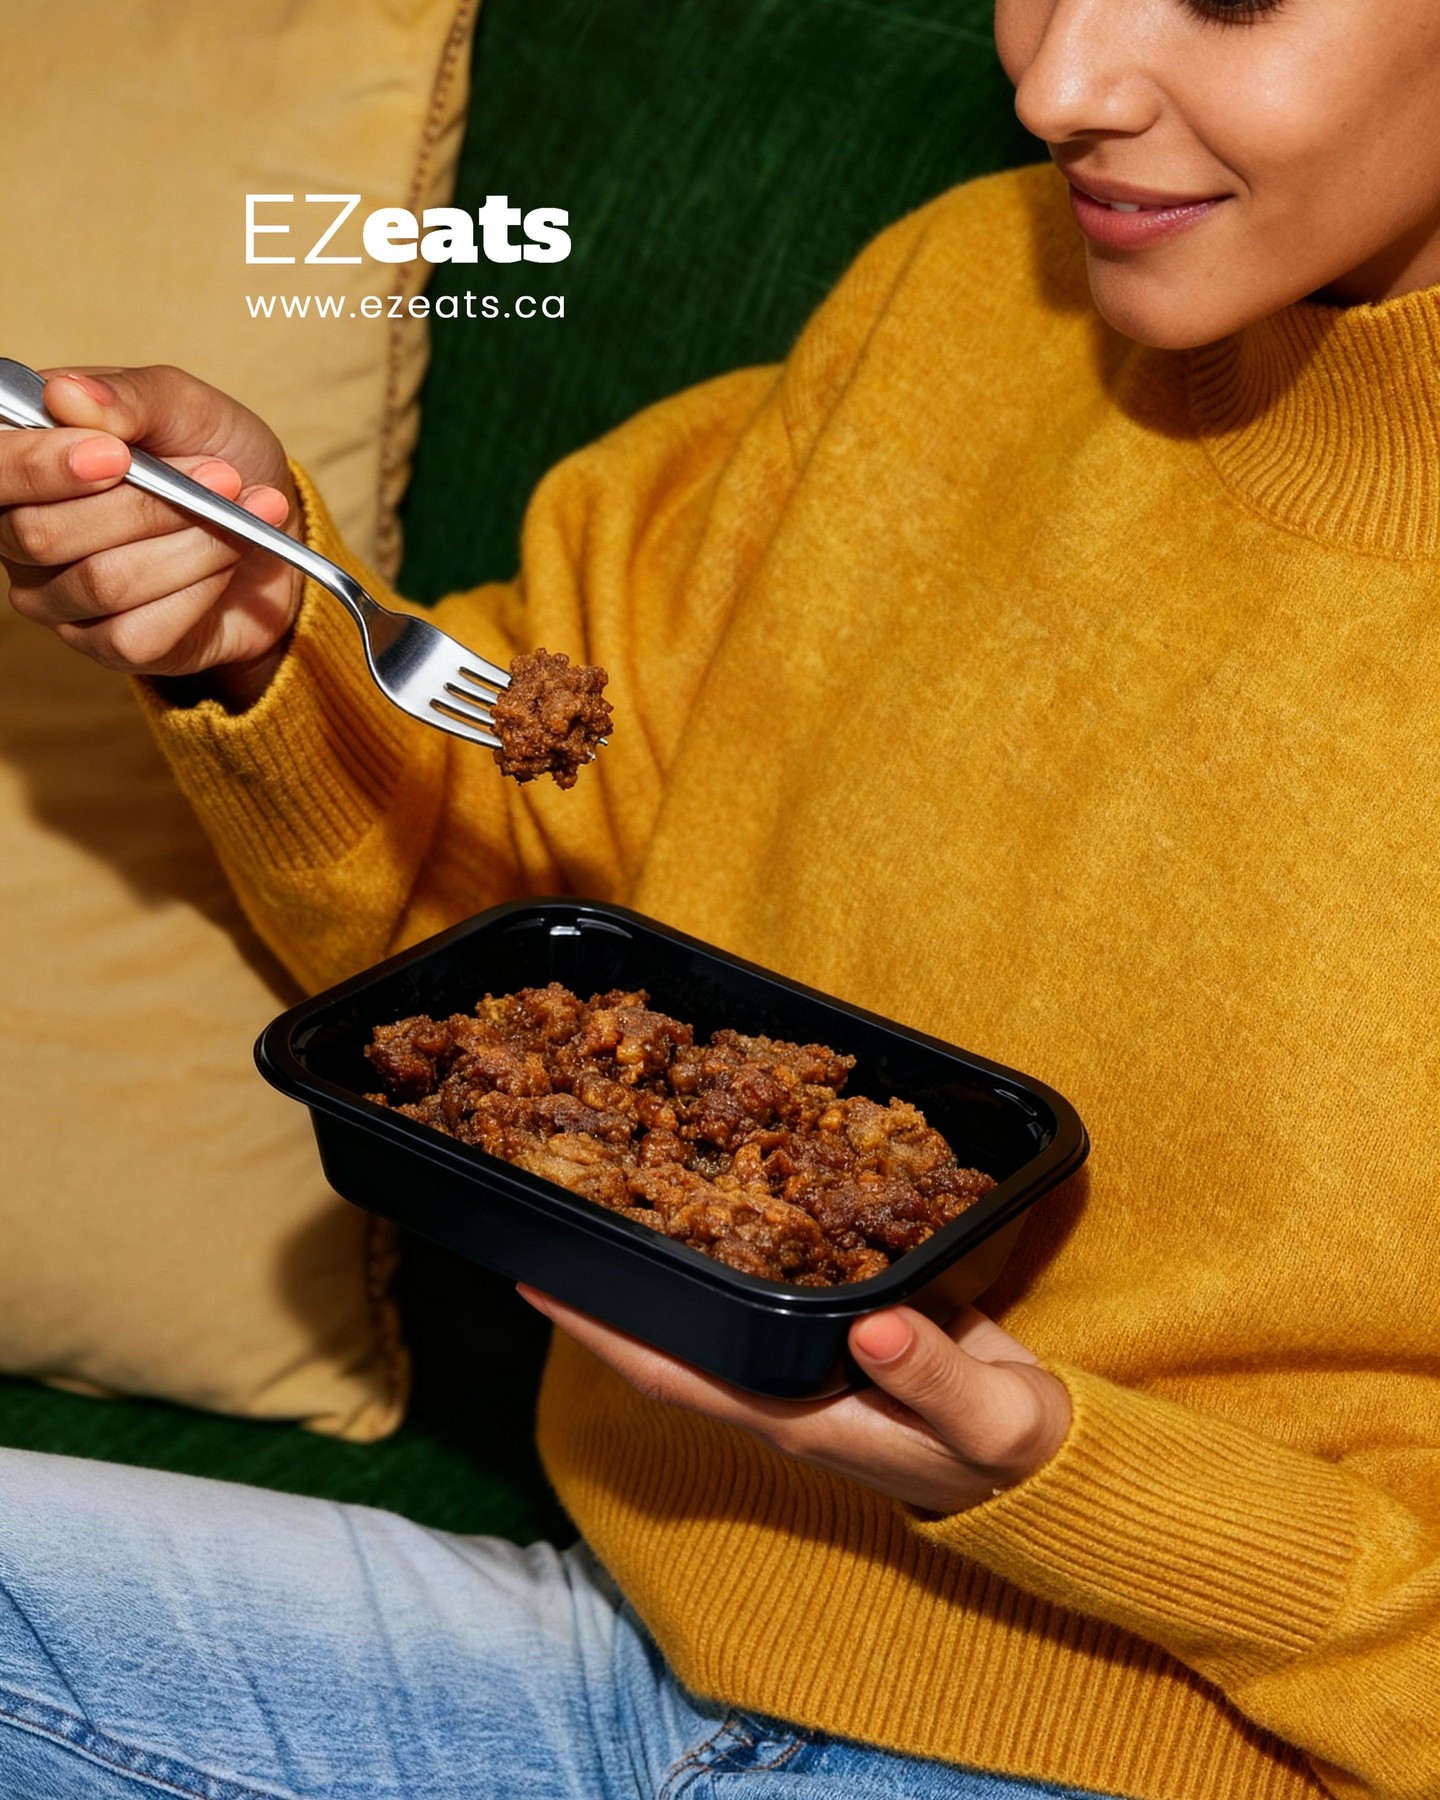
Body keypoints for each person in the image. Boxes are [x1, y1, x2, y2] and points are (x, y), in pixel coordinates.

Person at [1, 0, 1436, 1795]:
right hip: (621, 1653)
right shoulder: (966, 292)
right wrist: (266, 631)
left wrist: (1080, 1486)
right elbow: (518, 939)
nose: (1058, 82)